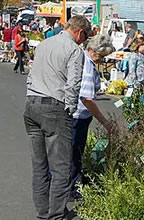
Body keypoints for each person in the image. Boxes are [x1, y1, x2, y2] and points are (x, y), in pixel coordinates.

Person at [24, 15, 91, 220]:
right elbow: (73, 84)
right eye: (85, 36)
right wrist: (70, 109)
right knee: (61, 167)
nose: (84, 40)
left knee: (40, 165)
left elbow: (31, 73)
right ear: (80, 32)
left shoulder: (44, 44)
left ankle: (43, 213)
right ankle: (55, 216)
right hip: (55, 105)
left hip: (32, 103)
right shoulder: (74, 50)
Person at [69, 34, 116, 200]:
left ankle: (71, 184)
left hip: (75, 114)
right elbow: (87, 99)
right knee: (75, 151)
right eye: (101, 56)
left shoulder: (79, 58)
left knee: (73, 151)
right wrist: (105, 122)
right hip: (79, 115)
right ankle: (71, 188)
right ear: (94, 51)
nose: (102, 60)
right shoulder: (87, 66)